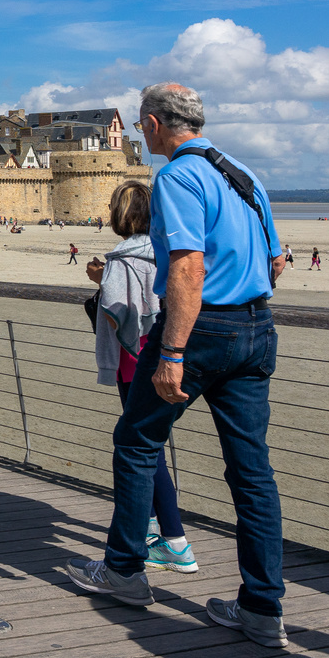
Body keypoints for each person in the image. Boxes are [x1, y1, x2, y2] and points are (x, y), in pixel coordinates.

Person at [66, 82, 287, 647]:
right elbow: (278, 260)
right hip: (256, 325)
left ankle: (124, 571)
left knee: (138, 442)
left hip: (201, 327)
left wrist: (172, 351)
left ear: (153, 123)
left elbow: (187, 268)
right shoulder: (244, 172)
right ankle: (262, 607)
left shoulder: (177, 176)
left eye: (142, 127)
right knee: (252, 472)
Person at [84, 181, 193, 572]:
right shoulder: (168, 251)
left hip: (135, 361)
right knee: (148, 445)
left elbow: (119, 310)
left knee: (143, 448)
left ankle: (176, 541)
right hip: (171, 353)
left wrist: (101, 280)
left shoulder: (123, 259)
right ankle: (146, 527)